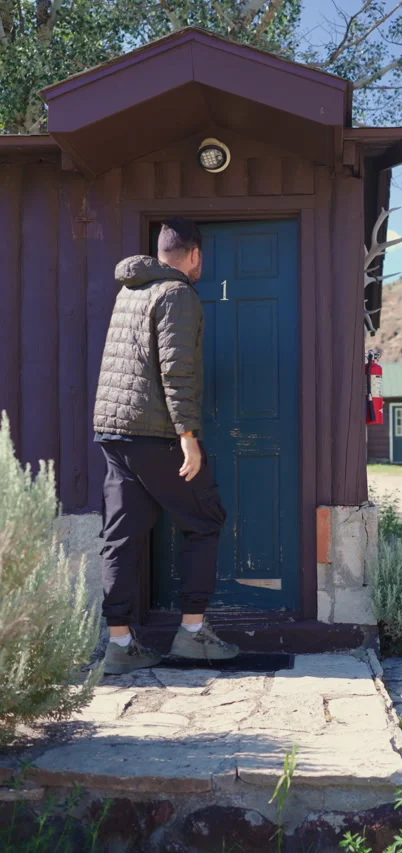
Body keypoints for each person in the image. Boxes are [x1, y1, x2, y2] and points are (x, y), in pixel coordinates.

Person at [93, 217, 239, 675]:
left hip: (114, 432)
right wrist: (188, 438)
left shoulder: (130, 291)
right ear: (194, 255)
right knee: (206, 520)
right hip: (155, 434)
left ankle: (120, 643)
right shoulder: (177, 293)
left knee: (121, 536)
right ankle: (193, 633)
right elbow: (177, 373)